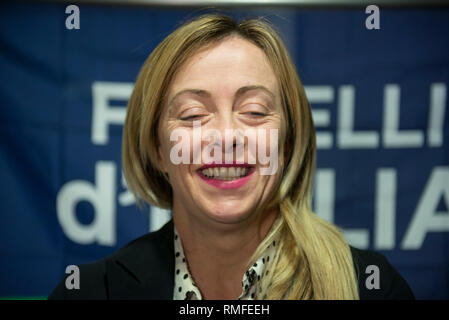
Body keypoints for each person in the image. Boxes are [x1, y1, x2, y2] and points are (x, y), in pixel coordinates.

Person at [49, 14, 414, 300]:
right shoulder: (90, 293)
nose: (226, 137)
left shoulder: (371, 289)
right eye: (192, 115)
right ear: (158, 150)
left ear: (286, 143)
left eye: (255, 111)